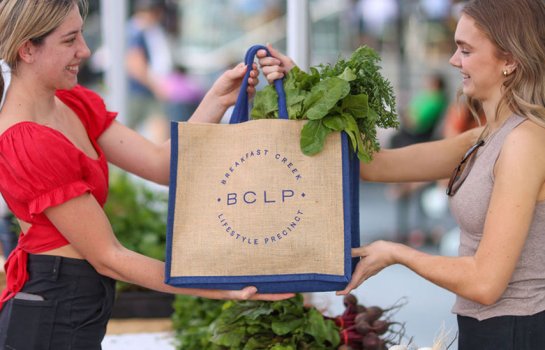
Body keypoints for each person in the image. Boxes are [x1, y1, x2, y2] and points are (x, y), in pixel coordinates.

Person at [0, 1, 292, 348]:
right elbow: (109, 258)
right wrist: (225, 286)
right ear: (27, 49)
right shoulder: (27, 140)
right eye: (70, 40)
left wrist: (217, 99)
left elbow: (160, 164)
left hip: (69, 308)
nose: (85, 50)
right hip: (49, 319)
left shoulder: (71, 101)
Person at [258, 0, 545, 347]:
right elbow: (372, 165)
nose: (454, 61)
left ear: (510, 59)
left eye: (465, 50)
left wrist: (397, 253)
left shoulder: (525, 141)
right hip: (489, 327)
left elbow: (485, 282)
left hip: (517, 331)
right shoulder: (485, 137)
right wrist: (301, 87)